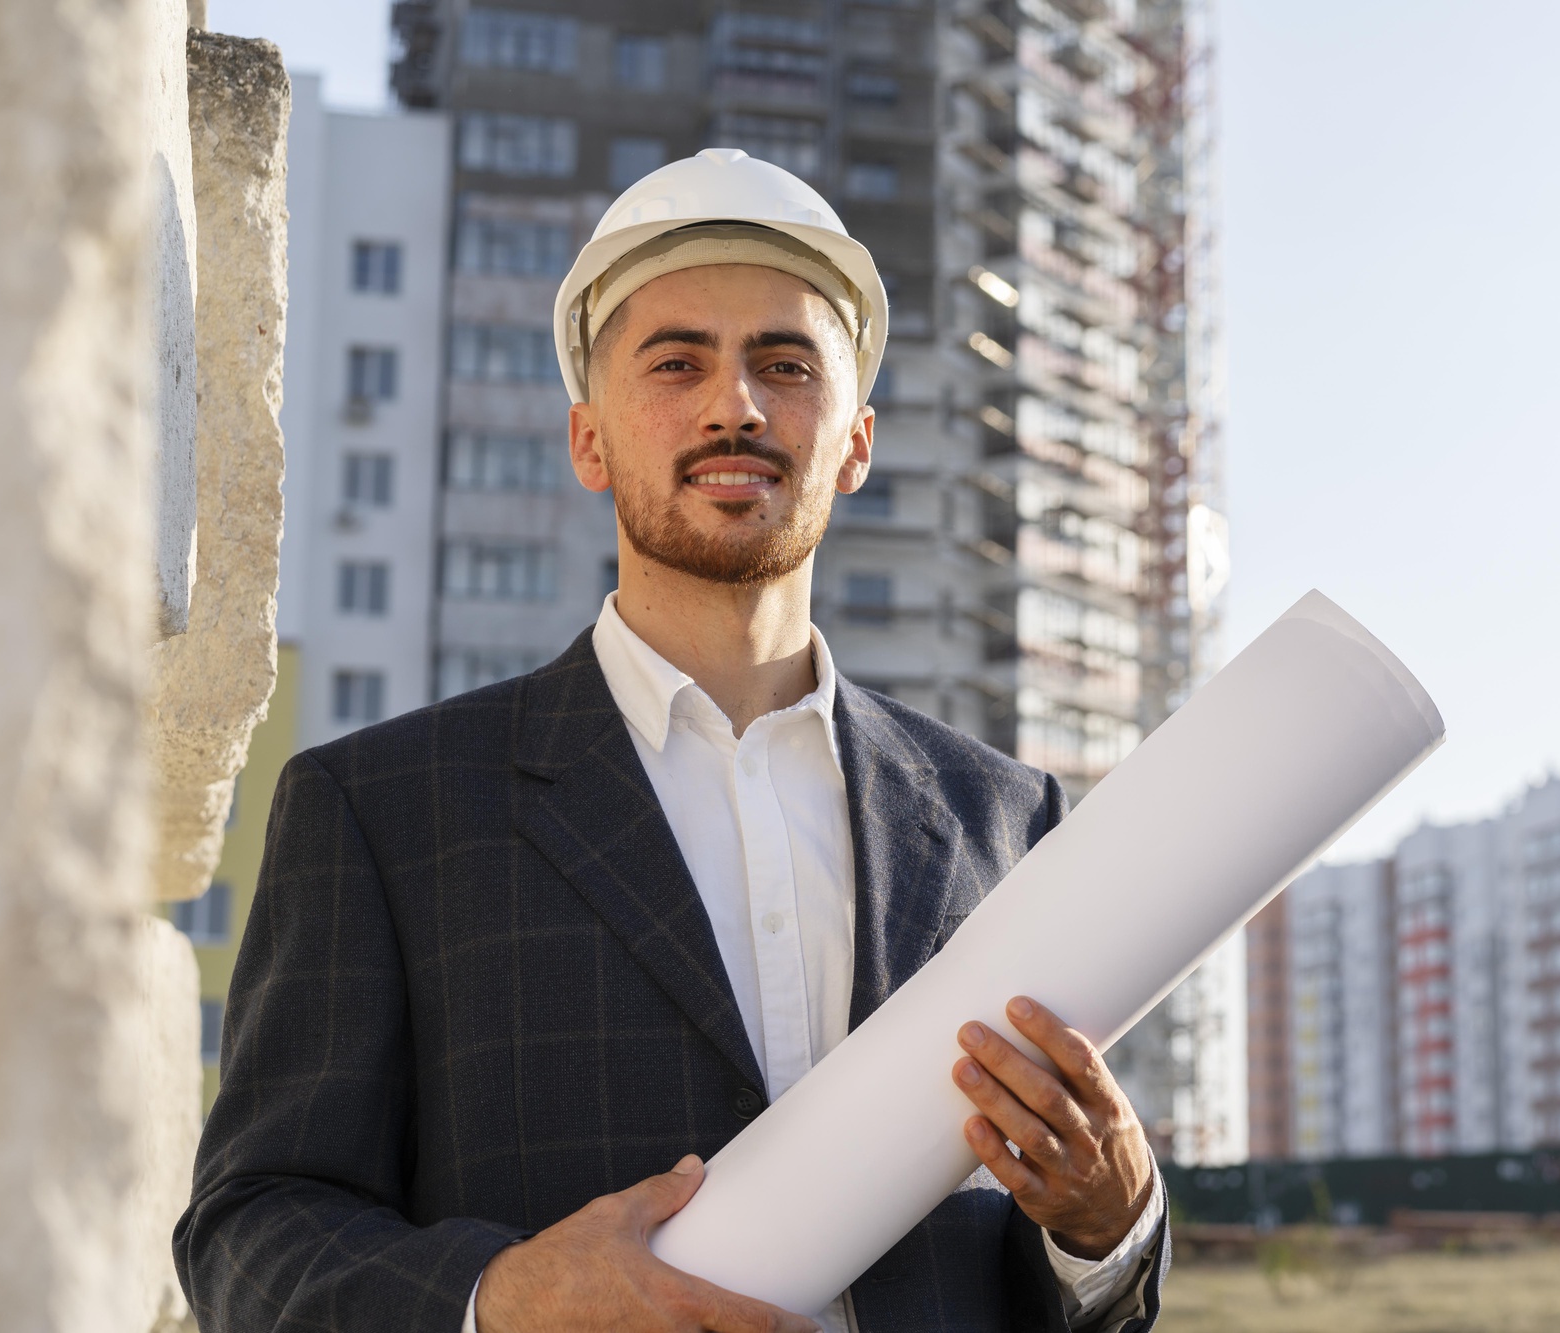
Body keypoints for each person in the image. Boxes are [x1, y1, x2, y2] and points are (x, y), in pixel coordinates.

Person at [176, 150, 1168, 1333]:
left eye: (784, 364)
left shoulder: (1010, 822)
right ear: (588, 440)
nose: (733, 404)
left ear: (854, 445)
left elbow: (1077, 1289)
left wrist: (1110, 1229)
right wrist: (499, 1299)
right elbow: (251, 1233)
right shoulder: (382, 811)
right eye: (676, 361)